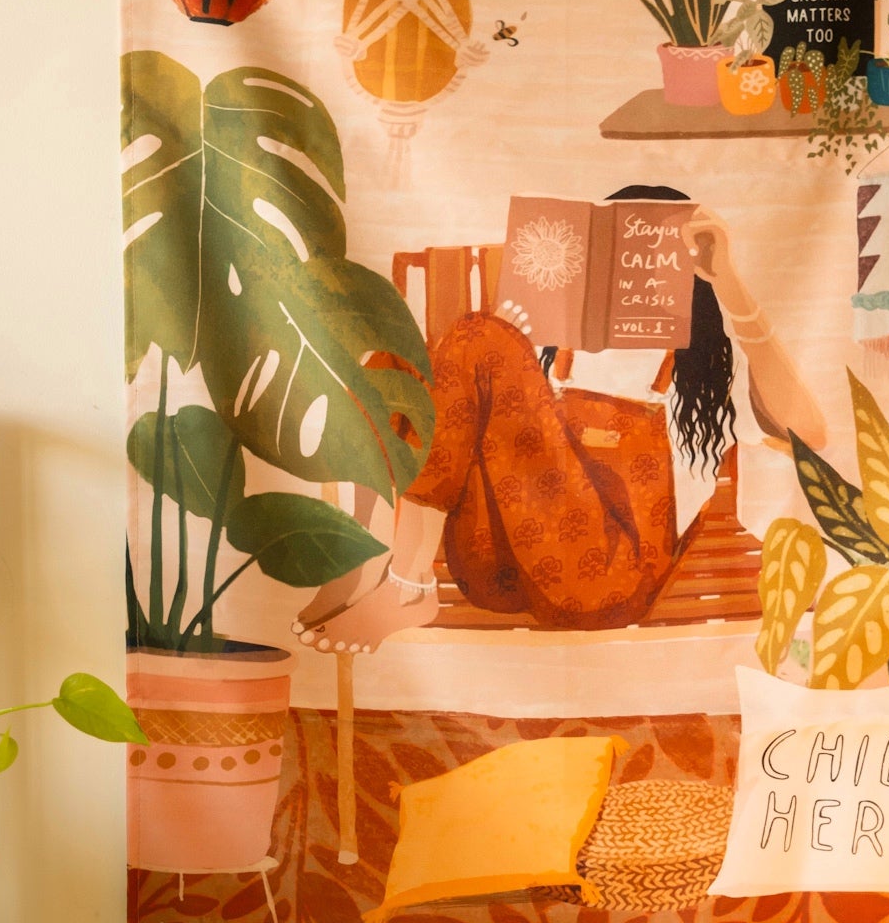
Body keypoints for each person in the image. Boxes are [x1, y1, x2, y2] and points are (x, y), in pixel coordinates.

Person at [296, 186, 825, 653]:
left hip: (604, 583)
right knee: (401, 362)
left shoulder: (705, 370)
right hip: (500, 569)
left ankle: (406, 586)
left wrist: (727, 279)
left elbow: (811, 432)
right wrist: (504, 346)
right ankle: (366, 564)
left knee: (478, 338)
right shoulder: (550, 349)